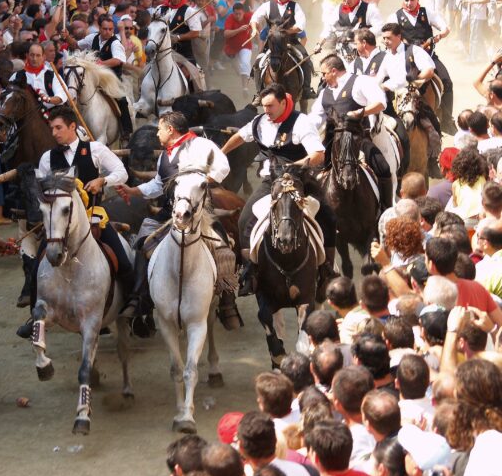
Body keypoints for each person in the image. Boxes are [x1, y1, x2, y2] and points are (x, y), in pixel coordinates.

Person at [16, 106, 132, 339]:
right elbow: (42, 189)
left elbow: (122, 172)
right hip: (60, 222)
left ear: (72, 127)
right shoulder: (48, 157)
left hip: (93, 217)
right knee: (37, 266)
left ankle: (131, 306)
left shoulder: (95, 149)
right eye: (52, 129)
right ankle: (35, 316)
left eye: (59, 127)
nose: (55, 133)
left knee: (124, 262)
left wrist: (103, 180)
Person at [115, 111, 234, 330]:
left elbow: (223, 166)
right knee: (143, 243)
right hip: (169, 212)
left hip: (199, 212)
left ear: (170, 129)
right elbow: (158, 186)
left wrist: (201, 182)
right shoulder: (164, 156)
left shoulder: (201, 145)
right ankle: (140, 297)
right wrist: (132, 191)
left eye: (160, 129)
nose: (157, 133)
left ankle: (228, 301)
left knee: (223, 247)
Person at [220, 83, 333, 293]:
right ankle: (249, 271)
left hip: (300, 179)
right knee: (244, 220)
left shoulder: (300, 122)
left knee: (327, 215)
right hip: (270, 180)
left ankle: (325, 270)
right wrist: (222, 151)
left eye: (271, 106)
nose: (267, 111)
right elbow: (240, 137)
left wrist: (295, 165)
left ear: (283, 102)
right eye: (264, 106)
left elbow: (319, 154)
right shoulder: (260, 122)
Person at [308, 54, 393, 210]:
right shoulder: (324, 93)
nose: (323, 77)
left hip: (357, 139)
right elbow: (315, 118)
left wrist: (359, 113)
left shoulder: (360, 82)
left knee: (382, 167)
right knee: (310, 172)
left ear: (334, 71)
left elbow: (381, 103)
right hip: (333, 141)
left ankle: (385, 209)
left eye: (324, 73)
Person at [376, 22, 442, 178]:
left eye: (389, 38)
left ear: (399, 36)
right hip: (393, 97)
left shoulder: (414, 51)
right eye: (384, 38)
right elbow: (378, 79)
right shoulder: (386, 57)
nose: (385, 41)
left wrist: (414, 79)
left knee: (432, 123)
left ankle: (432, 160)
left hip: (413, 94)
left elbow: (429, 71)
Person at [387, 0, 455, 135]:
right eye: (406, 0)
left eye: (412, 0)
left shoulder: (427, 13)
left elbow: (445, 28)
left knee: (447, 81)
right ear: (402, 1)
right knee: (388, 81)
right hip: (406, 58)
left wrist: (439, 36)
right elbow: (388, 34)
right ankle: (389, 114)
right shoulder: (395, 17)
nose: (409, 3)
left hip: (429, 56)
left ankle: (447, 120)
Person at [65, 14, 133, 140]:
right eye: (105, 29)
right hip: (94, 79)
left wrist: (101, 64)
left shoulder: (115, 43)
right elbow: (75, 45)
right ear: (99, 28)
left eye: (110, 29)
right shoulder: (92, 38)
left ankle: (126, 131)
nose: (108, 32)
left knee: (122, 100)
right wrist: (67, 37)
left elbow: (118, 60)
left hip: (110, 79)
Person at [250, 0, 315, 100]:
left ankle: (306, 90)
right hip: (273, 43)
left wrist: (286, 32)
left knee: (306, 60)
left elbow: (301, 24)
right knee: (257, 63)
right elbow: (255, 17)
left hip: (291, 41)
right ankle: (259, 94)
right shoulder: (267, 5)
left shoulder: (295, 6)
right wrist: (254, 29)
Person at [318, 0, 383, 46]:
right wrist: (319, 44)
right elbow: (328, 27)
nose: (346, 0)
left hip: (364, 49)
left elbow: (379, 27)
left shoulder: (370, 8)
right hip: (343, 50)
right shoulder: (339, 8)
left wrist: (360, 35)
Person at [8, 43, 67, 110]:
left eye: (38, 55)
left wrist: (48, 99)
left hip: (50, 114)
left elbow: (61, 95)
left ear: (43, 57)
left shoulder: (52, 76)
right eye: (32, 55)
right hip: (23, 115)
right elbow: (7, 96)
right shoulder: (17, 76)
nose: (34, 59)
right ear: (27, 56)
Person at [155, 0, 202, 66]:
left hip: (182, 53)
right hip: (161, 52)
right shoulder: (160, 9)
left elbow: (196, 33)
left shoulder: (189, 11)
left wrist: (178, 37)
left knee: (191, 76)